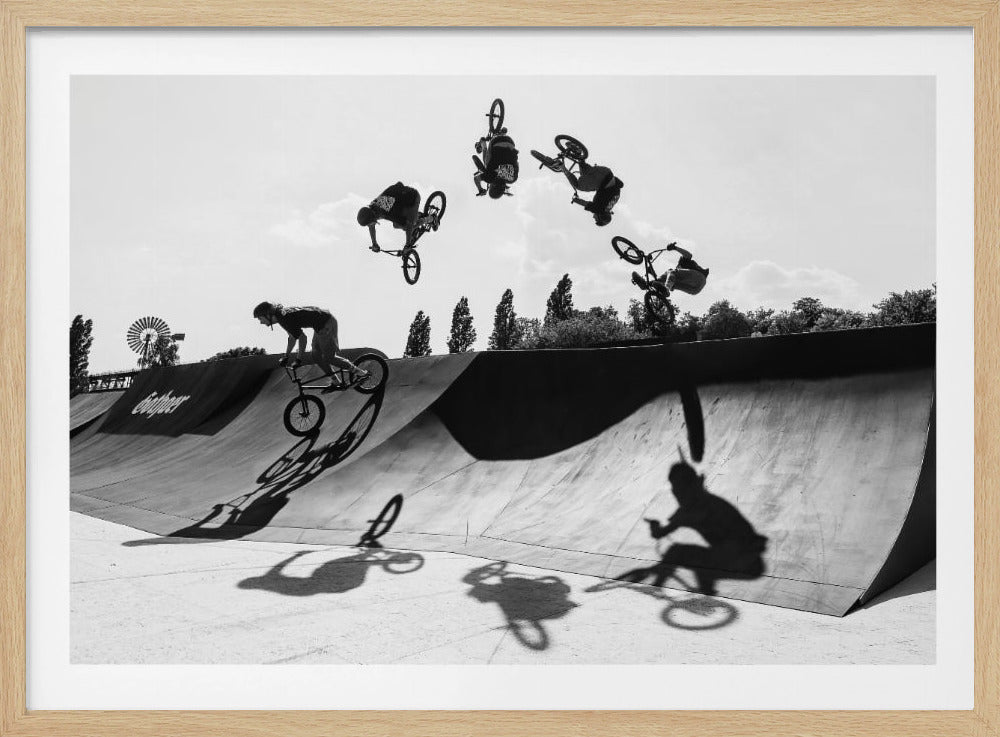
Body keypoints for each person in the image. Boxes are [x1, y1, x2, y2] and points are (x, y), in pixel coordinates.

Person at [253, 301, 364, 391]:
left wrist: (298, 359)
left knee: (329, 357)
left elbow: (302, 338)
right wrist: (286, 355)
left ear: (267, 315)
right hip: (319, 325)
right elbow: (292, 337)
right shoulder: (281, 316)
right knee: (315, 355)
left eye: (260, 318)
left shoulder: (283, 319)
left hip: (327, 323)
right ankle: (336, 382)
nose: (260, 322)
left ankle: (360, 373)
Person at [534, 152, 623, 226]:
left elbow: (615, 187)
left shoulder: (611, 203)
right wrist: (575, 200)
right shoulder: (600, 210)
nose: (593, 217)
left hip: (606, 172)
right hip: (601, 179)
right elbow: (584, 203)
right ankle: (561, 166)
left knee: (585, 176)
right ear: (600, 217)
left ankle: (576, 152)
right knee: (578, 185)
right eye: (596, 219)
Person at [356, 182, 422, 250]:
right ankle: (417, 216)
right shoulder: (373, 209)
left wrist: (408, 245)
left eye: (369, 224)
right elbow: (371, 227)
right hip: (401, 203)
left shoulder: (384, 207)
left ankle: (429, 219)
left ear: (372, 218)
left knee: (405, 225)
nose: (369, 226)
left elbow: (408, 224)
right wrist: (374, 243)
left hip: (413, 197)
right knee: (396, 225)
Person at [632, 243, 710, 298]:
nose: (678, 268)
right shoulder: (676, 275)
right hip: (695, 290)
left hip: (698, 277)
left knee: (670, 272)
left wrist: (675, 248)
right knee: (669, 281)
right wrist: (650, 280)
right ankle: (646, 285)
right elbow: (660, 281)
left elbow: (689, 255)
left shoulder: (683, 262)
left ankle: (666, 289)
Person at [473, 132, 519, 199]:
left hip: (510, 142)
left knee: (492, 163)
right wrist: (480, 189)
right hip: (496, 141)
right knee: (486, 164)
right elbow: (476, 178)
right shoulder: (489, 178)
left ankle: (502, 133)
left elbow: (517, 163)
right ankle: (483, 142)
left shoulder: (513, 179)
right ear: (492, 186)